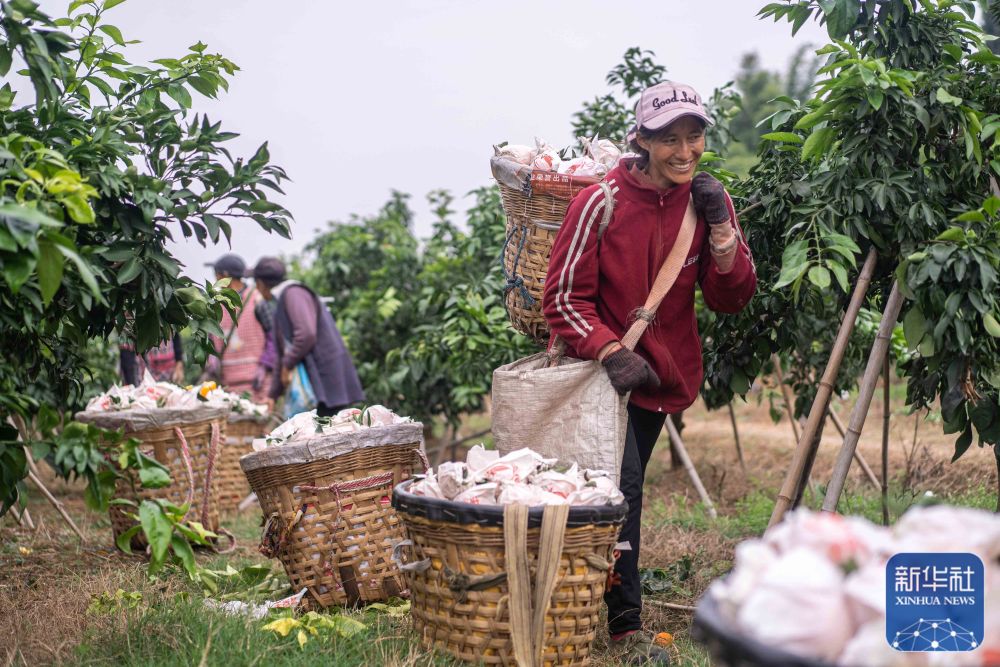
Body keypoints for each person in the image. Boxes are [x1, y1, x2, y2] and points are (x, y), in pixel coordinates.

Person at [542, 81, 757, 665]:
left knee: (615, 496)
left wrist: (719, 233)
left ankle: (593, 600)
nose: (684, 151)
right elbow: (561, 299)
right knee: (622, 491)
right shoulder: (601, 203)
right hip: (605, 376)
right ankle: (623, 624)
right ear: (641, 139)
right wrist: (610, 351)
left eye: (694, 136)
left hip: (664, 378)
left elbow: (731, 297)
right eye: (669, 139)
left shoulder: (708, 201)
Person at [251, 257, 365, 416]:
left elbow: (306, 334)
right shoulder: (280, 302)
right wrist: (273, 395)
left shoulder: (293, 293)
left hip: (327, 381)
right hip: (320, 386)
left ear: (260, 284)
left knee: (331, 430)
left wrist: (288, 364)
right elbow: (281, 354)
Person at [202, 253, 270, 402]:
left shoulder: (256, 300)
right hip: (227, 387)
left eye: (217, 276)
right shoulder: (216, 306)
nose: (216, 280)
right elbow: (211, 341)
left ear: (225, 276)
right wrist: (211, 359)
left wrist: (266, 365)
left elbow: (272, 337)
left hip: (257, 383)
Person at [120, 333, 184, 385]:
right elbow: (127, 352)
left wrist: (179, 363)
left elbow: (175, 333)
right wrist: (131, 382)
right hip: (142, 374)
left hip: (168, 372)